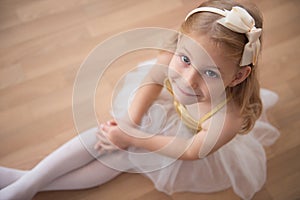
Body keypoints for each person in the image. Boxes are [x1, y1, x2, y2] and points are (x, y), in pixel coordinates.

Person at [0, 0, 280, 199]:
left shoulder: (229, 118)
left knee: (123, 156)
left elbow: (192, 151)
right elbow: (153, 80)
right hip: (167, 111)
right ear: (180, 44)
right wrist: (128, 123)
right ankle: (25, 184)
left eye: (210, 73)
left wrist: (133, 138)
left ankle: (25, 184)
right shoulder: (174, 53)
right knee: (107, 133)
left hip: (183, 141)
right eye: (185, 59)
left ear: (238, 76)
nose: (188, 79)